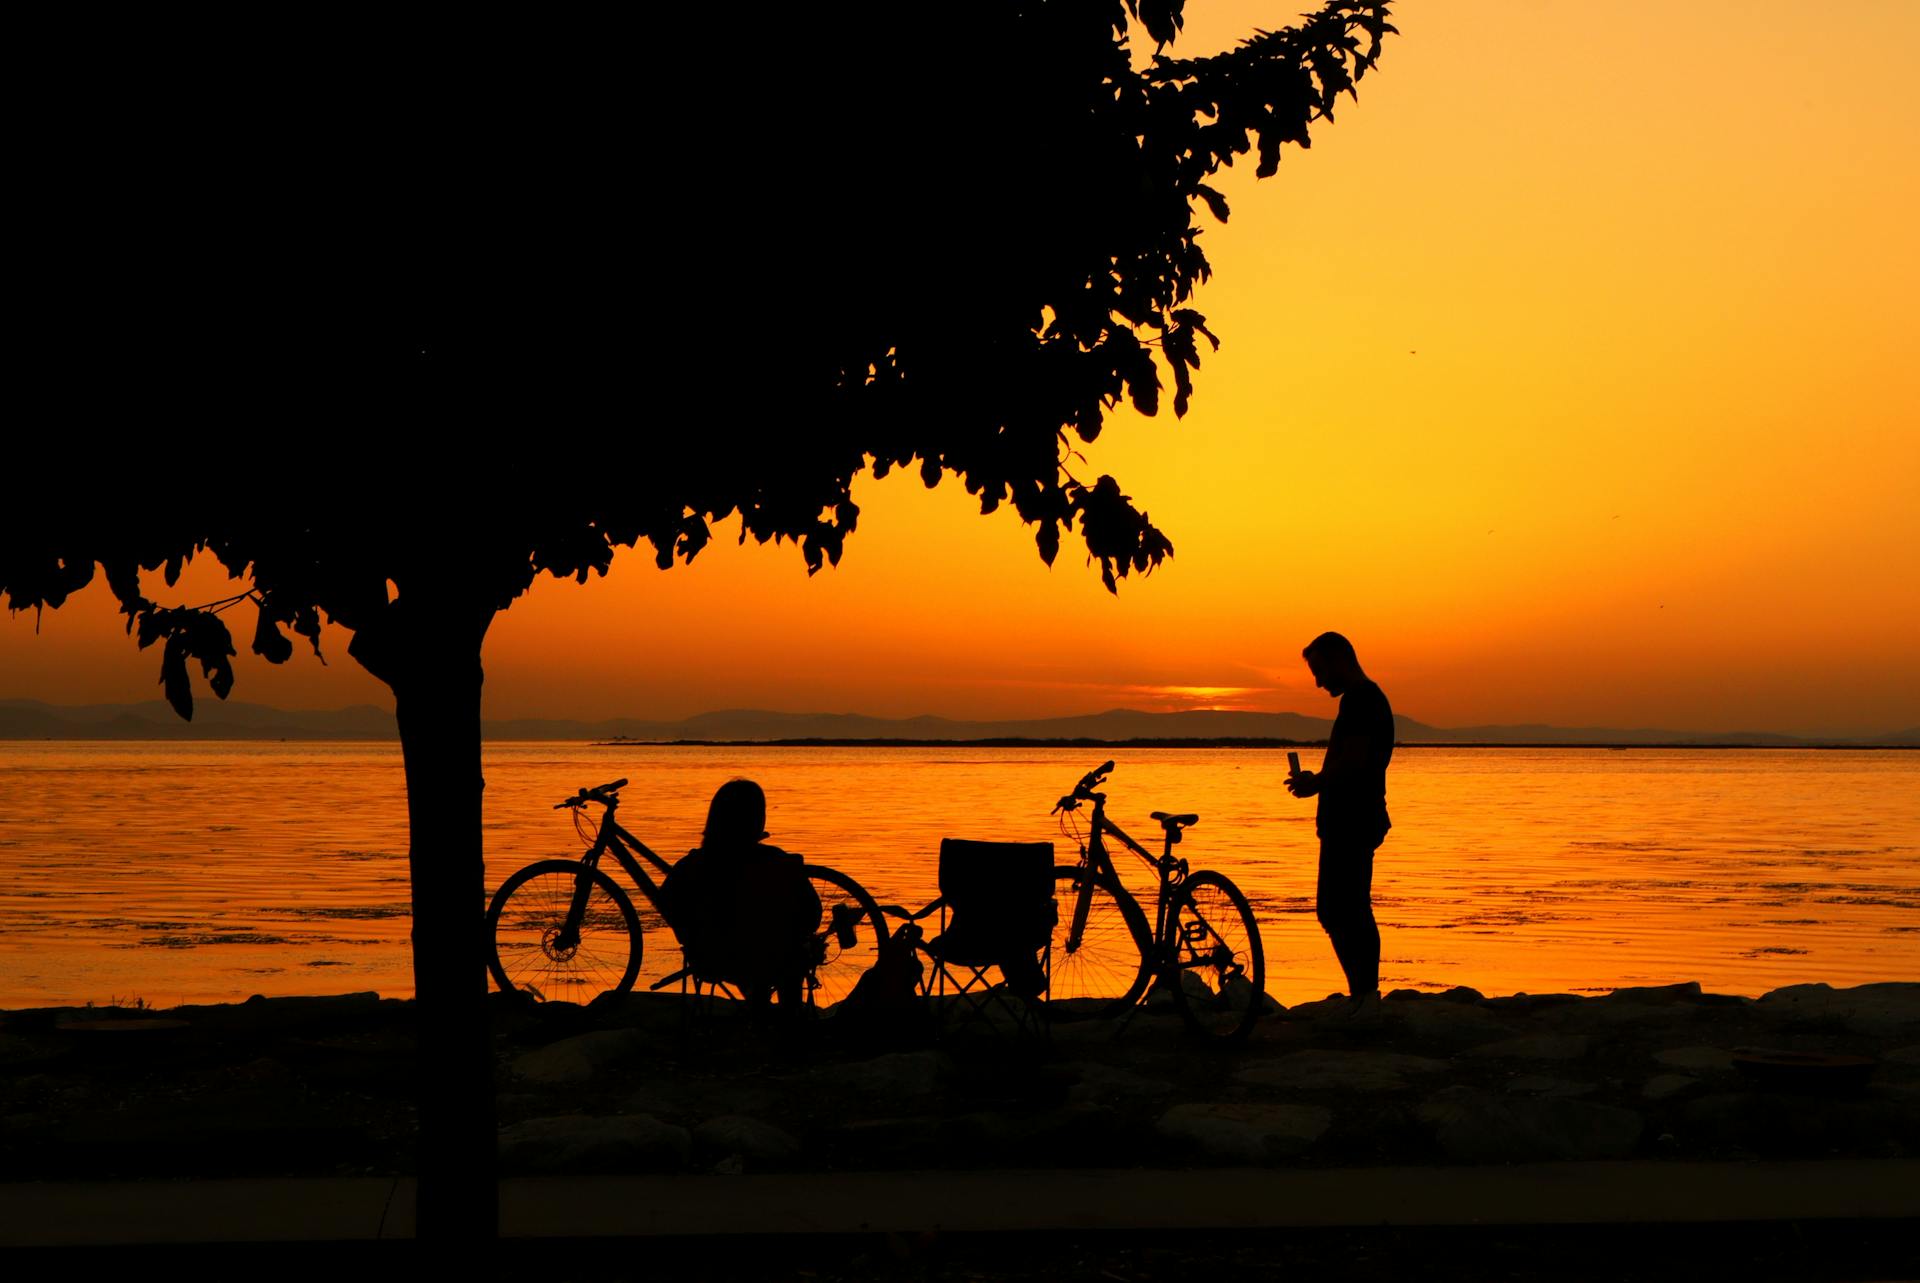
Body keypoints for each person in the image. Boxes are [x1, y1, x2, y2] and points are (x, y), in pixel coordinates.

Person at [1285, 631, 1393, 1023]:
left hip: (1355, 818)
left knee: (1346, 908)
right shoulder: (1359, 701)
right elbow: (1347, 762)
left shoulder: (1364, 701)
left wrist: (1318, 782)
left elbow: (1357, 762)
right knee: (1337, 909)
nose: (1318, 682)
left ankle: (1366, 995)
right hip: (1346, 817)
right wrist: (1320, 781)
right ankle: (1361, 994)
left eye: (1319, 671)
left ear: (1339, 660)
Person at [662, 779, 823, 1011]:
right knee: (792, 950)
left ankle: (757, 1004)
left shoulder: (691, 865)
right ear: (758, 819)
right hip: (775, 959)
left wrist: (693, 941)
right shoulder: (780, 863)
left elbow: (669, 905)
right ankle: (790, 1020)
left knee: (766, 949)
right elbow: (811, 915)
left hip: (713, 960)